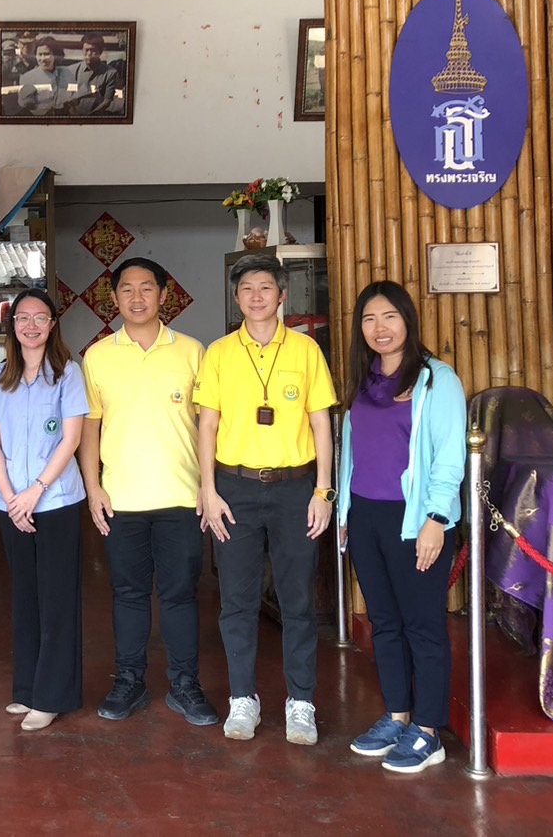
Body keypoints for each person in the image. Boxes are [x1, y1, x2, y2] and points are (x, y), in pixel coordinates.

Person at [195, 253, 337, 747]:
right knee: (237, 600)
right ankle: (243, 698)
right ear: (237, 300)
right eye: (246, 289)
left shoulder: (305, 350)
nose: (256, 297)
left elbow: (322, 423)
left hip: (296, 488)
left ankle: (301, 702)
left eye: (265, 288)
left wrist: (323, 490)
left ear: (282, 296)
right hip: (233, 488)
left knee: (298, 600)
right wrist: (208, 489)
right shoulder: (219, 353)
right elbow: (207, 424)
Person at [80, 258, 218, 727]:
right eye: (126, 289)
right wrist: (93, 486)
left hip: (181, 496)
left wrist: (208, 486)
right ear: (113, 298)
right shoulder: (97, 356)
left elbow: (209, 427)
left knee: (181, 595)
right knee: (129, 594)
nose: (136, 298)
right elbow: (89, 430)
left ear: (164, 294)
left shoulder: (193, 352)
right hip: (121, 499)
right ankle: (130, 681)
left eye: (146, 288)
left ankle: (185, 684)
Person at [338, 280, 466, 773]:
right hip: (367, 515)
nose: (379, 328)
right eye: (369, 320)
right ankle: (397, 716)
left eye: (389, 317)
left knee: (423, 626)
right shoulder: (364, 378)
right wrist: (347, 513)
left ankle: (428, 731)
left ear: (408, 320)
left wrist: (437, 518)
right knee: (384, 623)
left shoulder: (437, 380)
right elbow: (353, 452)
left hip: (416, 519)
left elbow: (451, 457)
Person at [0, 288, 88, 731]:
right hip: (11, 505)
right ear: (13, 324)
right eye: (23, 317)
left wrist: (35, 492)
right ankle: (27, 688)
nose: (31, 325)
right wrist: (11, 496)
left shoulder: (68, 374)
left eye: (40, 318)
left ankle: (53, 695)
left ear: (52, 324)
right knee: (25, 596)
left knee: (57, 598)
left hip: (57, 502)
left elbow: (72, 439)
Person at [15, 35, 74, 116]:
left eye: (46, 54)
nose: (42, 59)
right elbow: (26, 105)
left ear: (56, 55)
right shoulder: (27, 78)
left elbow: (72, 96)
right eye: (40, 54)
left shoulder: (66, 72)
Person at [68, 32, 124, 116]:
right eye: (86, 50)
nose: (89, 54)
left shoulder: (110, 73)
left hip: (98, 116)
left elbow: (107, 101)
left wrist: (89, 116)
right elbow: (68, 96)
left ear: (100, 52)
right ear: (82, 50)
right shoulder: (72, 70)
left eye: (93, 50)